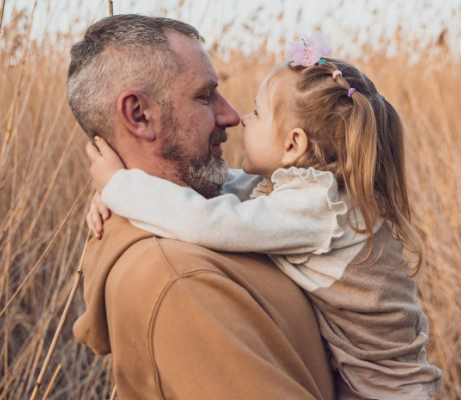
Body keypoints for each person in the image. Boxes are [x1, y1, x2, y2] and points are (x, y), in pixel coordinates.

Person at [86, 31, 443, 400]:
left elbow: (210, 220)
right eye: (205, 96)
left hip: (387, 389)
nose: (240, 118)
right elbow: (228, 188)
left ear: (293, 144)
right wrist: (122, 190)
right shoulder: (305, 191)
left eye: (257, 113)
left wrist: (119, 186)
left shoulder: (315, 207)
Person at [68, 15, 335, 400]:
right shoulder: (179, 280)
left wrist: (122, 189)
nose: (230, 115)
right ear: (140, 115)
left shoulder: (201, 216)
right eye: (204, 96)